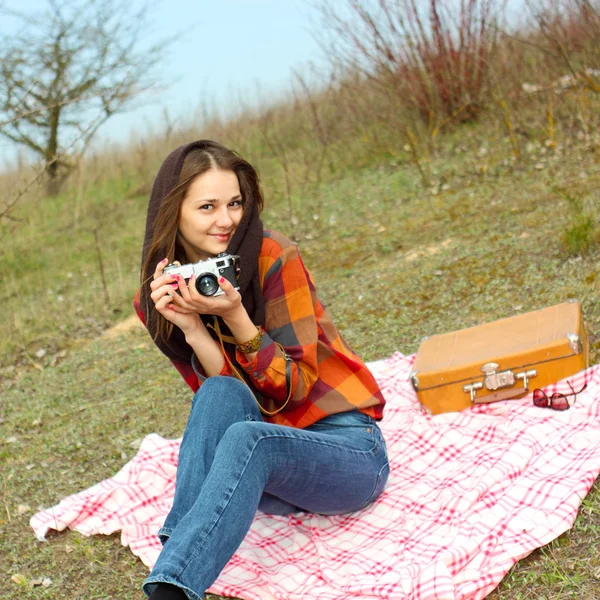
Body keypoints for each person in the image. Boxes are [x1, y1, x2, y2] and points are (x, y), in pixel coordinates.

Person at [134, 140, 389, 600]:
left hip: (349, 451)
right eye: (207, 206)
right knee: (215, 397)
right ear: (173, 212)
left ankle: (170, 586)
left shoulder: (273, 255)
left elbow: (294, 387)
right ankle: (180, 556)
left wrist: (235, 316)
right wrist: (193, 331)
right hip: (271, 478)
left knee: (248, 440)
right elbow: (231, 403)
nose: (226, 219)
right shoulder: (159, 295)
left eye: (234, 203)